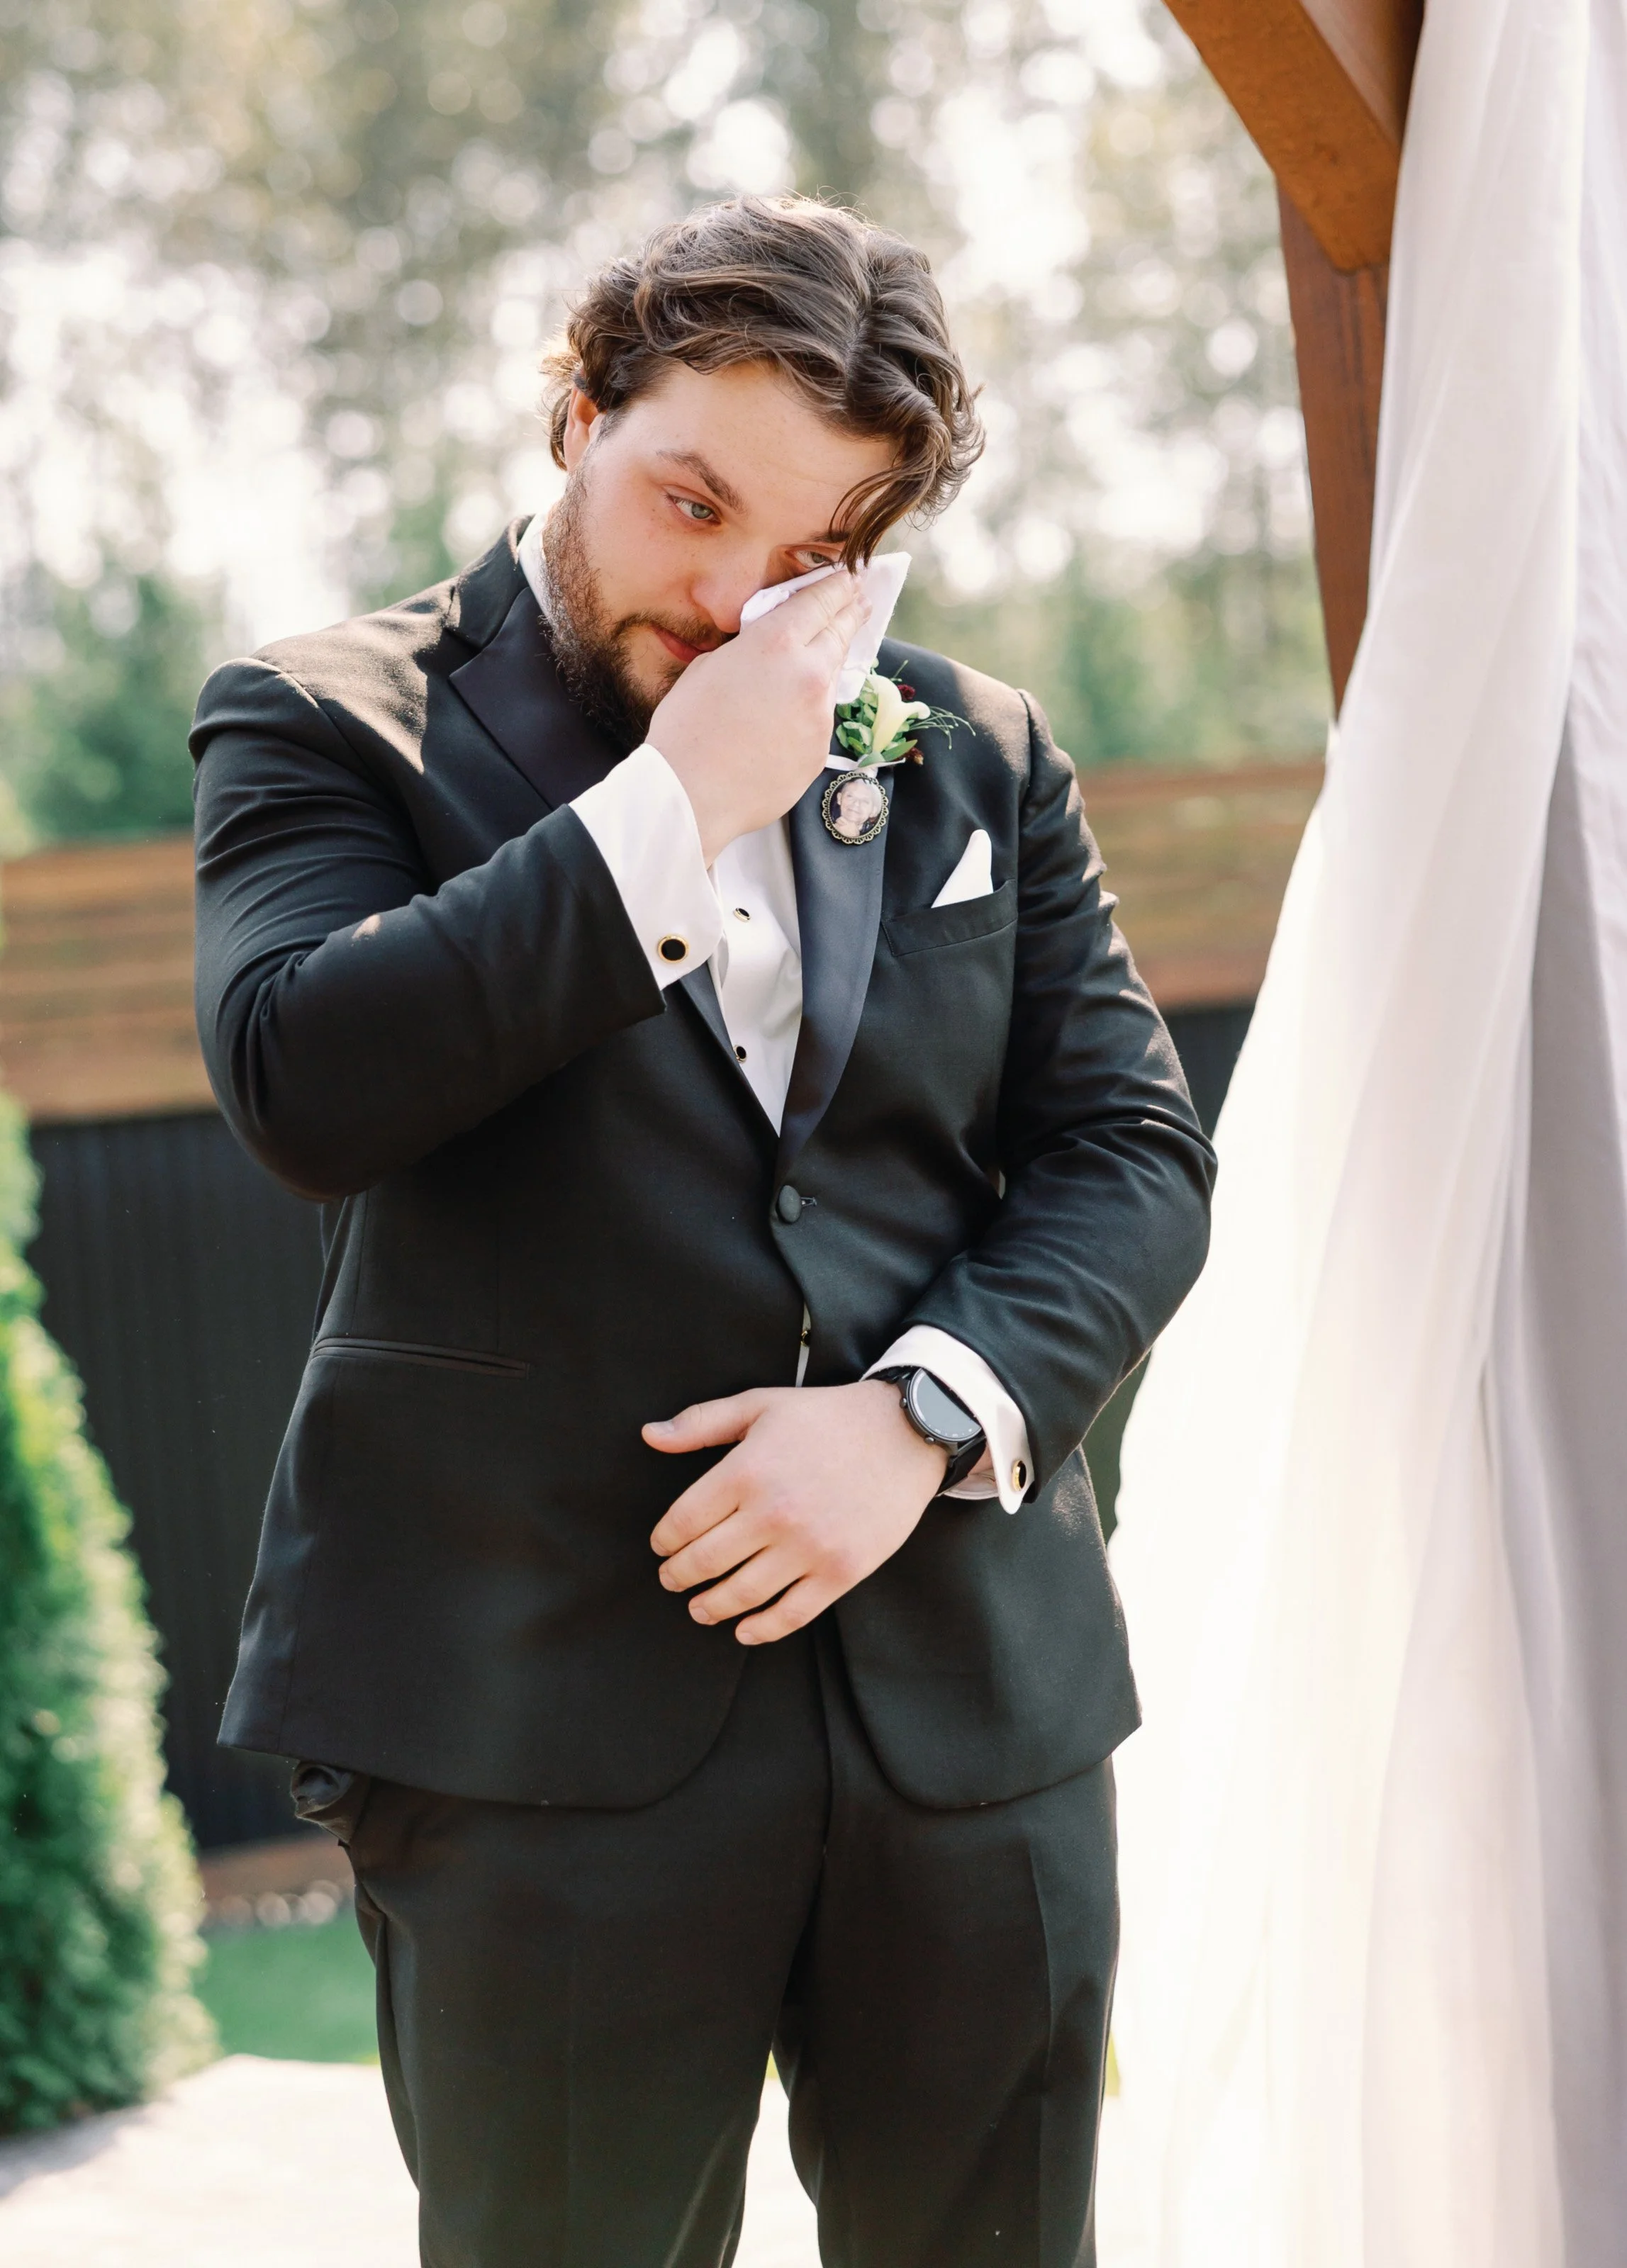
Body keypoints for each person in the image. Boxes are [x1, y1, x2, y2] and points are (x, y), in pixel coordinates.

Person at [191, 193, 1214, 2268]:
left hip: (969, 1712)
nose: (743, 592)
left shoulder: (977, 752)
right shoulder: (323, 719)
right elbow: (306, 1079)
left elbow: (1130, 1151)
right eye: (689, 499)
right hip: (529, 1722)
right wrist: (676, 802)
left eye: (822, 551)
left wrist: (921, 1416)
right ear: (573, 409)